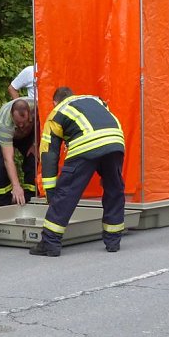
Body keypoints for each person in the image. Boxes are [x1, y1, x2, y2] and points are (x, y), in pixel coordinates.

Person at [30, 87, 125, 257]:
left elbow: (49, 154)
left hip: (85, 144)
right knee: (114, 190)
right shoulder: (95, 99)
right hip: (115, 140)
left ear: (55, 102)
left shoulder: (57, 112)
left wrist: (51, 192)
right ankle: (113, 241)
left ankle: (50, 243)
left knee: (67, 193)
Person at [0, 98, 37, 206]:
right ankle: (4, 201)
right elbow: (9, 159)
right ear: (12, 115)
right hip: (4, 134)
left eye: (24, 122)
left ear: (30, 114)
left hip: (28, 136)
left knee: (33, 160)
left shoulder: (36, 107)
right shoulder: (5, 123)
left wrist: (35, 144)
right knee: (1, 167)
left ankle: (30, 197)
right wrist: (16, 185)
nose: (21, 126)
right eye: (18, 123)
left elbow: (42, 123)